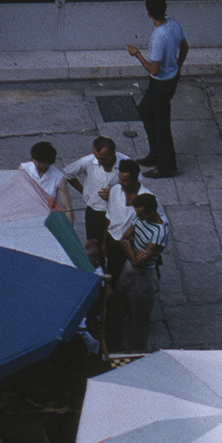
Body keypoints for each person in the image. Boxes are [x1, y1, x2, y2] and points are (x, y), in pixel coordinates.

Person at [126, 0, 187, 178]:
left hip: (160, 84)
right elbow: (185, 47)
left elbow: (154, 70)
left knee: (161, 125)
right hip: (171, 78)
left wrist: (136, 54)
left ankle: (166, 165)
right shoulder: (174, 24)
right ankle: (155, 154)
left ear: (148, 13)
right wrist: (178, 66)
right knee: (145, 110)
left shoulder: (157, 37)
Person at [104, 158, 161, 348]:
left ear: (136, 179)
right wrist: (105, 240)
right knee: (114, 288)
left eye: (126, 180)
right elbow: (109, 216)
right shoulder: (115, 191)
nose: (121, 183)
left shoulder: (148, 198)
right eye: (120, 179)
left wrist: (143, 251)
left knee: (134, 293)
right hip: (114, 243)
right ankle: (114, 335)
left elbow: (160, 226)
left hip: (133, 249)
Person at [119, 191, 170, 354]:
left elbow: (136, 260)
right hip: (128, 268)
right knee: (119, 302)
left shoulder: (159, 233)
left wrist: (128, 245)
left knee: (140, 318)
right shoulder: (139, 218)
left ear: (151, 212)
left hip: (143, 277)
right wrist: (130, 246)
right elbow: (123, 238)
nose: (137, 215)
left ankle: (137, 351)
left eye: (140, 213)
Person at [64, 136, 121, 267]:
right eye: (97, 157)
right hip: (96, 211)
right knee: (95, 247)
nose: (99, 161)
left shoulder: (124, 162)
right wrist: (83, 190)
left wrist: (115, 191)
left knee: (114, 245)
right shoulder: (87, 162)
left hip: (117, 211)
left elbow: (137, 184)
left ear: (113, 153)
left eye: (103, 158)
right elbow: (68, 173)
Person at [19, 140, 73, 212]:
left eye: (41, 162)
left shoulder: (58, 177)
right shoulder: (24, 169)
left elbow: (67, 207)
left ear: (49, 162)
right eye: (35, 161)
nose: (37, 165)